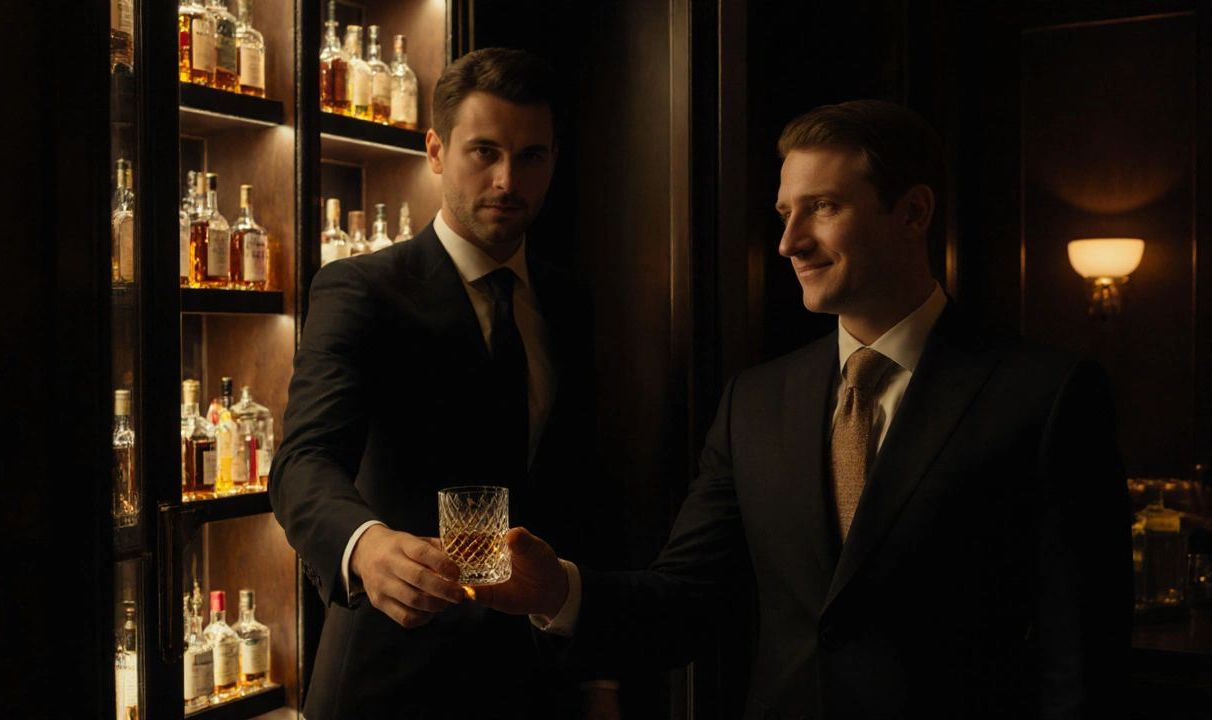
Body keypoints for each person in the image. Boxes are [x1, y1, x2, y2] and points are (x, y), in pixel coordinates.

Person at [473, 99, 1134, 719]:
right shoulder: (755, 401)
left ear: (913, 212)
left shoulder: (1044, 395)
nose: (790, 242)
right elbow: (687, 601)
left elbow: (1082, 654)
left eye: (822, 207)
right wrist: (557, 590)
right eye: (785, 212)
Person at [269, 47, 621, 719]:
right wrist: (366, 546)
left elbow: (579, 487)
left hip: (534, 685)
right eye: (483, 152)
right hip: (391, 676)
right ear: (435, 151)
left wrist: (598, 674)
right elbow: (301, 463)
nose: (507, 180)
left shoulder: (568, 300)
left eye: (532, 156)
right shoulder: (361, 289)